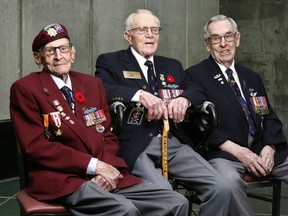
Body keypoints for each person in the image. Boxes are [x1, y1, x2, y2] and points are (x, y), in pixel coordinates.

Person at [9, 23, 191, 216]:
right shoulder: (26, 89)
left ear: (73, 52)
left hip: (105, 171)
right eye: (50, 51)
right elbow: (36, 146)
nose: (58, 56)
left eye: (63, 48)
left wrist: (107, 168)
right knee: (125, 210)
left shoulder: (92, 84)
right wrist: (95, 166)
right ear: (38, 58)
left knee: (175, 201)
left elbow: (108, 136)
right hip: (63, 179)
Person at [95, 9, 232, 216]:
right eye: (142, 30)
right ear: (128, 36)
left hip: (173, 140)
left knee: (222, 188)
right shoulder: (110, 61)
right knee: (167, 196)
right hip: (135, 144)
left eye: (154, 30)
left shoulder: (172, 65)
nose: (150, 35)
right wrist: (138, 94)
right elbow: (101, 89)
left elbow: (197, 90)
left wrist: (184, 99)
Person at [185, 14, 288, 215]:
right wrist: (239, 151)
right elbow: (195, 124)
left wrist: (270, 146)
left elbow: (268, 115)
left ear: (237, 39)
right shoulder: (194, 75)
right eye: (216, 38)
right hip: (224, 153)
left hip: (261, 149)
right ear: (207, 44)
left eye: (228, 36)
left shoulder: (251, 76)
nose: (223, 44)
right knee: (228, 184)